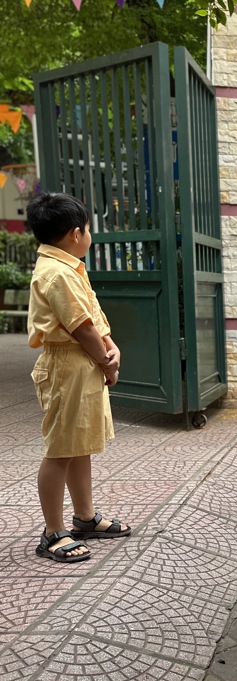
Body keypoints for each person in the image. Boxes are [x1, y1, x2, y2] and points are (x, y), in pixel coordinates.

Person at [25, 193, 130, 563]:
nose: (90, 235)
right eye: (88, 229)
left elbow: (93, 318)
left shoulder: (68, 266)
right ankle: (53, 532)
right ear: (75, 233)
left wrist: (109, 346)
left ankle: (84, 517)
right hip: (69, 365)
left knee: (79, 443)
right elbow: (81, 327)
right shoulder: (57, 273)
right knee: (60, 449)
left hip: (81, 363)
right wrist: (107, 362)